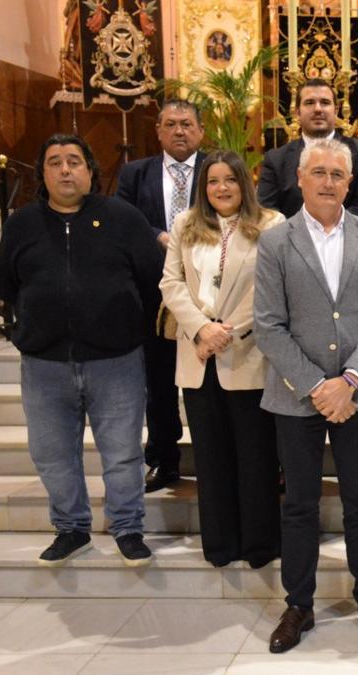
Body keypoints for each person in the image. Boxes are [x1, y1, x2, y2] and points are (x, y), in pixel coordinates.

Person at [254, 138, 358, 652]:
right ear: (300, 178)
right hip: (297, 397)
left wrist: (350, 380)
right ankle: (298, 604)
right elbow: (269, 326)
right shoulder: (275, 242)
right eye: (318, 173)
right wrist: (319, 386)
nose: (328, 182)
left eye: (337, 174)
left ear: (349, 181)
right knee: (299, 504)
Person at [0, 133, 162, 567]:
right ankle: (71, 528)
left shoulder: (123, 218)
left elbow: (152, 278)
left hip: (116, 360)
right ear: (43, 174)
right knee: (51, 453)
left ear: (91, 171)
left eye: (74, 161)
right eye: (55, 162)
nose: (65, 169)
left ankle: (128, 528)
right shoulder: (21, 224)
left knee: (123, 452)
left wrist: (127, 325)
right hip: (45, 363)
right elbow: (6, 285)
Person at [159, 151, 284, 568]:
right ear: (203, 187)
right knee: (211, 460)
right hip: (198, 358)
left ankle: (260, 546)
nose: (222, 188)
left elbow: (271, 287)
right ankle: (220, 545)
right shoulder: (185, 225)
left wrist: (225, 332)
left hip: (247, 354)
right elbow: (171, 282)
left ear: (244, 183)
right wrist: (199, 328)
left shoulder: (271, 224)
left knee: (255, 457)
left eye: (230, 179)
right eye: (213, 181)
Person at [115, 98, 206, 493]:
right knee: (160, 381)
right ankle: (163, 460)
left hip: (209, 298)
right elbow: (124, 220)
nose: (179, 131)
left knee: (207, 385)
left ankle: (212, 459)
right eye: (171, 124)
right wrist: (159, 236)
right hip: (154, 297)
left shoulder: (216, 171)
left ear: (200, 130)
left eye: (187, 123)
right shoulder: (135, 174)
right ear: (158, 131)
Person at [258, 79, 358, 217]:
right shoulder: (275, 159)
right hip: (291, 236)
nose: (318, 109)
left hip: (348, 236)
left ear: (336, 110)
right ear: (297, 111)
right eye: (309, 103)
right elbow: (267, 210)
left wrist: (332, 230)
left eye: (325, 103)